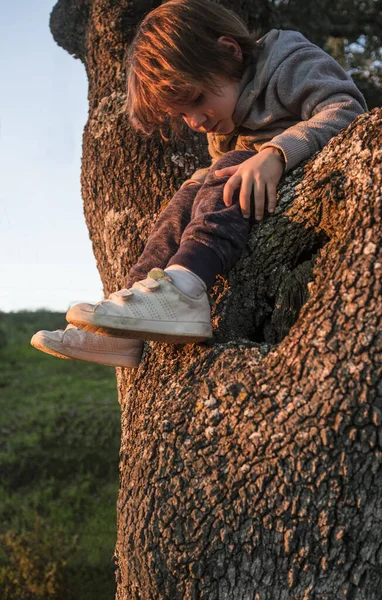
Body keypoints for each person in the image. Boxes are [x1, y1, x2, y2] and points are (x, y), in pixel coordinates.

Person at [31, 0, 366, 368]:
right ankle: (128, 330)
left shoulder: (287, 60)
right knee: (189, 191)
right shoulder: (225, 121)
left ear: (229, 52)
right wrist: (193, 189)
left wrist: (275, 154)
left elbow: (346, 109)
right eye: (182, 114)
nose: (194, 121)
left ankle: (187, 289)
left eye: (196, 100)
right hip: (245, 184)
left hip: (297, 174)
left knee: (225, 168)